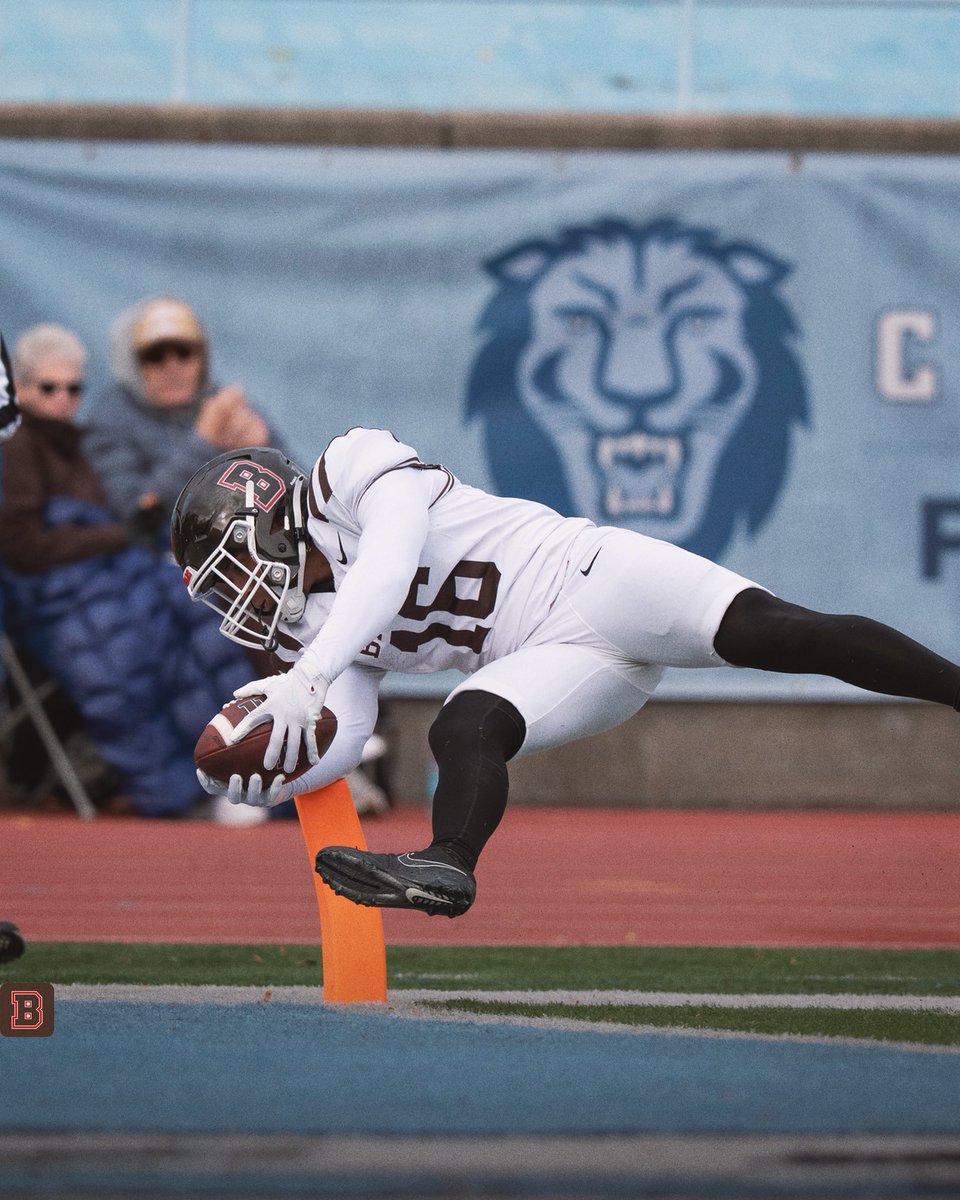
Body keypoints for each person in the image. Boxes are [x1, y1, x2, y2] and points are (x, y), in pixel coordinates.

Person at [169, 428, 960, 916]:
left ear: (263, 526)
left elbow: (390, 562)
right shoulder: (315, 631)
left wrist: (307, 678)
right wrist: (276, 773)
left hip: (593, 578)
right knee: (466, 724)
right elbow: (347, 731)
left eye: (226, 568)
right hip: (556, 662)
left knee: (779, 633)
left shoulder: (349, 469)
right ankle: (446, 864)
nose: (232, 597)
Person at [0, 324, 253, 818]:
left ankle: (241, 770)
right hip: (46, 597)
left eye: (75, 388)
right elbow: (22, 547)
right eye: (49, 388)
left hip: (110, 576)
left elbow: (135, 514)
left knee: (202, 616)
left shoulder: (79, 443)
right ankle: (182, 793)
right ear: (21, 389)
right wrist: (116, 536)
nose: (64, 400)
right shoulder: (15, 446)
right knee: (122, 653)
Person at [85, 296, 282, 541]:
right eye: (155, 355)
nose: (173, 367)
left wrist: (265, 453)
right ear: (134, 364)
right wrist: (204, 441)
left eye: (184, 352)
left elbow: (305, 495)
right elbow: (136, 515)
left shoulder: (225, 404)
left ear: (202, 358)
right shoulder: (111, 418)